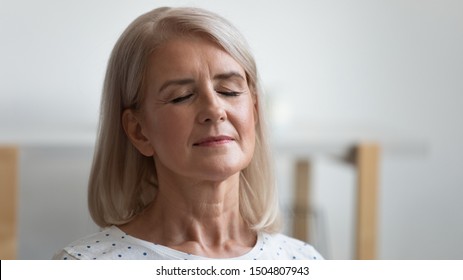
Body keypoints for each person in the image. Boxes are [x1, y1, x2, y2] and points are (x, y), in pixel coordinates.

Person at [53, 6, 323, 260]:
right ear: (138, 131)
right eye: (181, 96)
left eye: (229, 90)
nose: (215, 109)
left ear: (254, 110)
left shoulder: (303, 260)